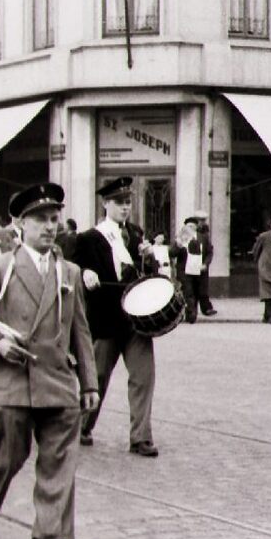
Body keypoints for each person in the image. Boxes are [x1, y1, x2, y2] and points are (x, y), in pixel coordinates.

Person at [0, 182, 99, 539]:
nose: (50, 227)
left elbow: (80, 331)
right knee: (8, 455)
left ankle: (48, 535)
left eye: (54, 219)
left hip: (57, 380)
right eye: (40, 220)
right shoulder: (0, 267)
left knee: (59, 461)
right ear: (20, 224)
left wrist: (89, 383)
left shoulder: (69, 272)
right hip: (15, 378)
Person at [72, 176, 159, 457]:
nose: (125, 207)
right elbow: (75, 269)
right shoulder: (89, 238)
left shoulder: (136, 234)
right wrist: (85, 273)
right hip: (105, 320)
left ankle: (141, 437)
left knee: (143, 377)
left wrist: (150, 257)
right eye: (119, 202)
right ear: (105, 204)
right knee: (96, 378)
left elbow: (150, 275)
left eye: (128, 202)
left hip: (136, 321)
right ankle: (81, 427)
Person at [171, 219, 205, 323]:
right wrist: (178, 246)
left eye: (192, 226)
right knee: (188, 291)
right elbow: (172, 253)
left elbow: (208, 252)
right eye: (188, 226)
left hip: (197, 270)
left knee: (195, 291)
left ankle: (192, 312)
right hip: (184, 271)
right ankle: (191, 313)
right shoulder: (181, 239)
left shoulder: (201, 238)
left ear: (196, 227)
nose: (190, 228)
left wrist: (205, 264)